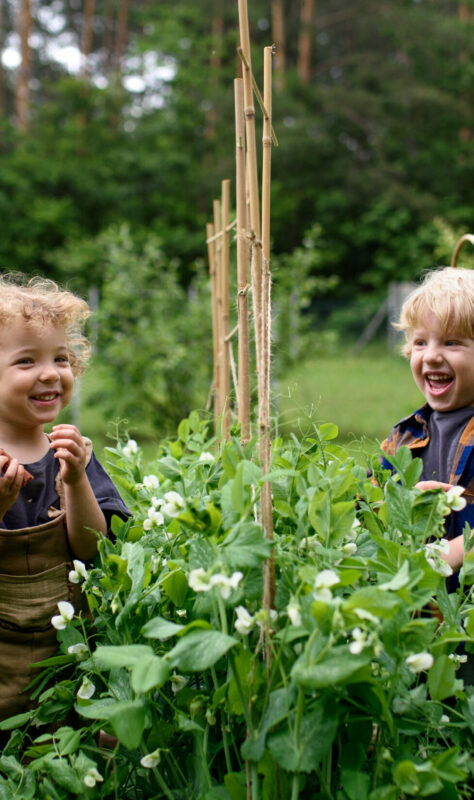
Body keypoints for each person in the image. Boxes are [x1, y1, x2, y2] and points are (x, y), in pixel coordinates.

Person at [0, 274, 129, 721]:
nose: (51, 373)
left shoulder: (71, 451)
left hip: (65, 659)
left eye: (60, 357)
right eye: (26, 361)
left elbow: (92, 548)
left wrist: (74, 481)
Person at [381, 266, 474, 575]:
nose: (431, 355)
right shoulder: (403, 437)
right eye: (421, 342)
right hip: (418, 605)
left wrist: (455, 552)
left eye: (451, 343)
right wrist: (402, 500)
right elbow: (366, 505)